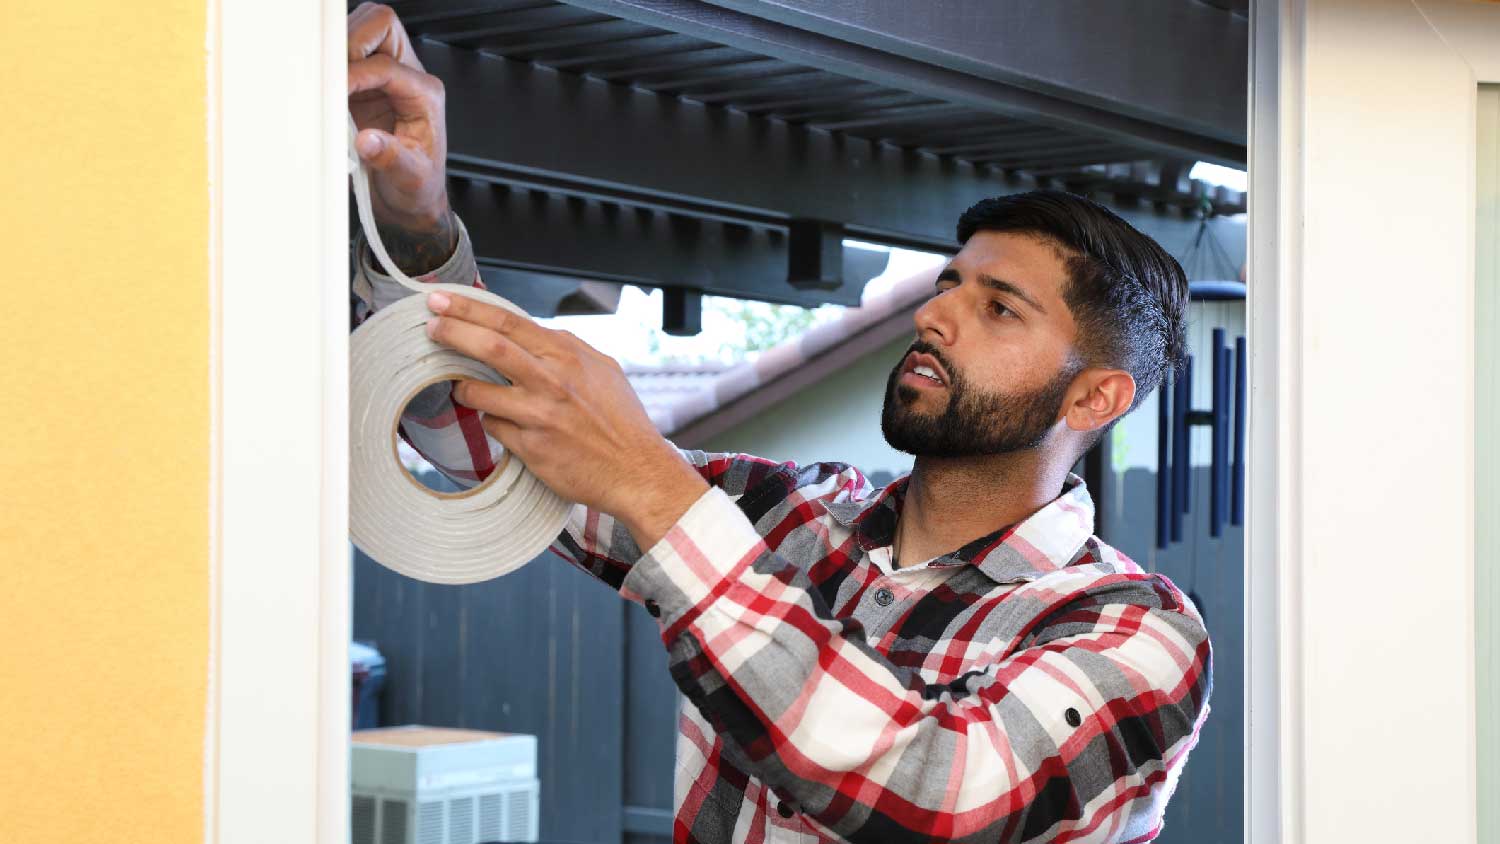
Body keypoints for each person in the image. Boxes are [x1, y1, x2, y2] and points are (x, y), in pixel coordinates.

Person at [348, 4, 1211, 842]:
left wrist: (653, 488)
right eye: (947, 286)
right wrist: (415, 228)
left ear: (1095, 398)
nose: (936, 317)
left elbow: (941, 801)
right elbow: (478, 440)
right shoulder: (781, 518)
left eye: (1000, 309)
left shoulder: (1130, 629)